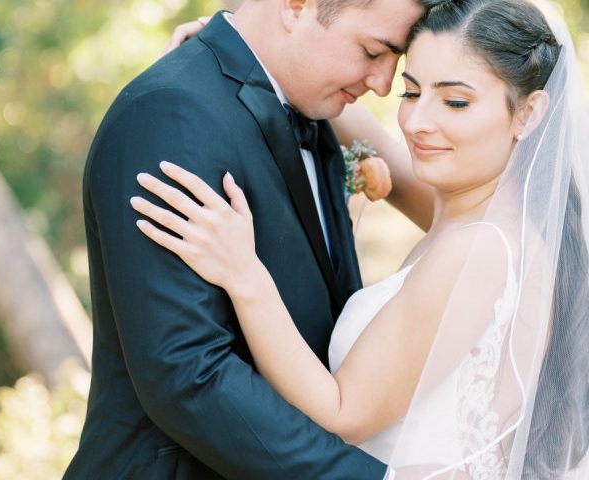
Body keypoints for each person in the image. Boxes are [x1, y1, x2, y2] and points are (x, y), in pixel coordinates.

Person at [132, 0, 589, 478]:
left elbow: (342, 414)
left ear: (529, 113)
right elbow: (370, 139)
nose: (417, 123)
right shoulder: (485, 211)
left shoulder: (478, 251)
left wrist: (244, 276)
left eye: (455, 101)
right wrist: (237, 49)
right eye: (411, 93)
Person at [64, 0, 438, 479]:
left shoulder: (314, 111)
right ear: (297, 5)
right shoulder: (170, 114)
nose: (384, 84)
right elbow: (189, 375)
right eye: (371, 51)